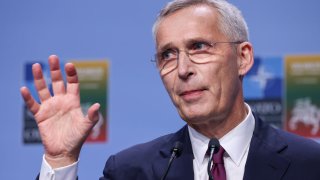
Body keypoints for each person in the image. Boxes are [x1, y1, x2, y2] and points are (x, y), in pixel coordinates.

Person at [20, 0, 320, 179]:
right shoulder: (130, 171)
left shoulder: (310, 164)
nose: (182, 69)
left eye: (199, 47)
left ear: (242, 58)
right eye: (167, 55)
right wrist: (59, 160)